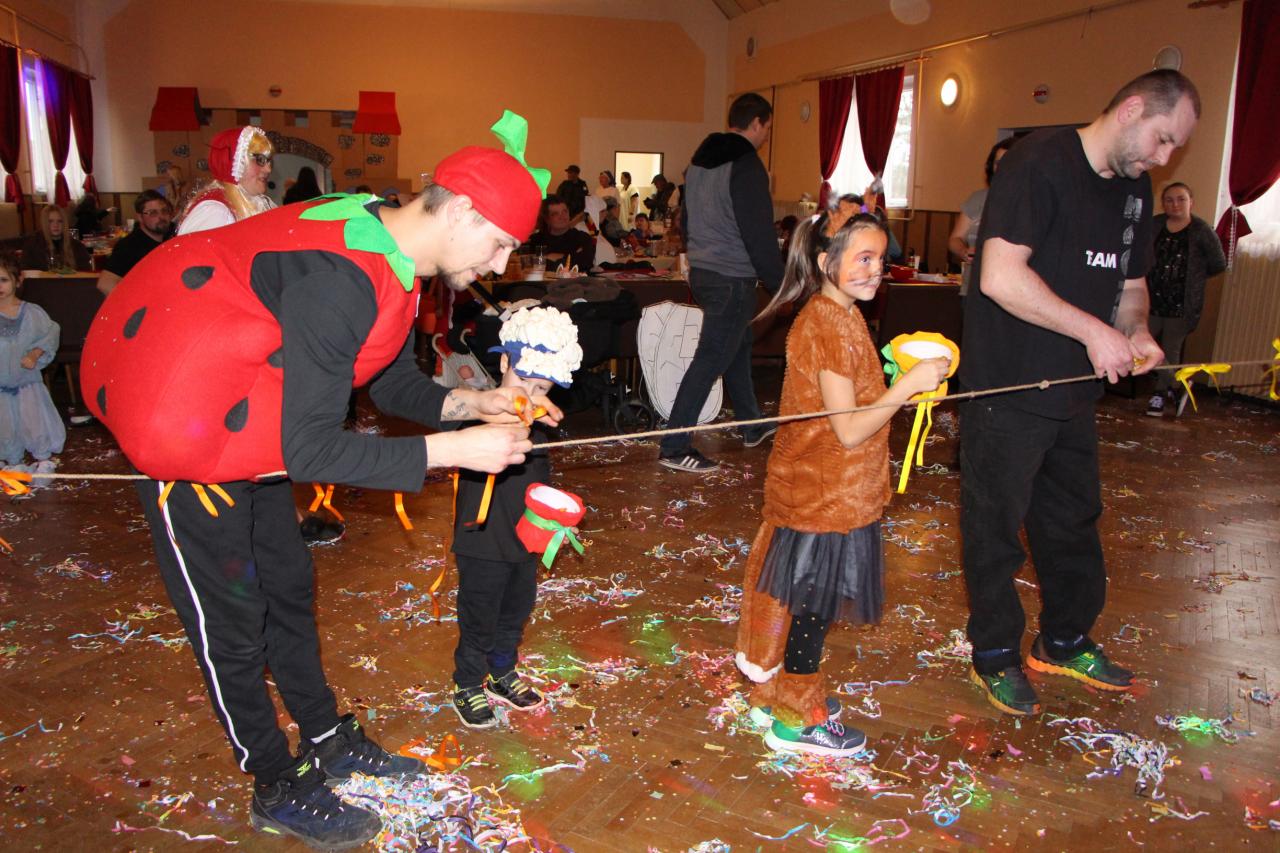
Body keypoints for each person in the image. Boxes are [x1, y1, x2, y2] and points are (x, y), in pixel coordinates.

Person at [80, 116, 561, 849]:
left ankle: (328, 736)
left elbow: (386, 378)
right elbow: (311, 451)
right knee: (233, 624)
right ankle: (274, 780)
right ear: (461, 210)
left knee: (288, 592)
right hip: (189, 431)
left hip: (254, 429)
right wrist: (454, 450)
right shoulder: (343, 278)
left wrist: (475, 403)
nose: (499, 262)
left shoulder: (390, 248)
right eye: (498, 243)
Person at [960, 70, 1199, 716]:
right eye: (1162, 138)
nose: (1164, 157)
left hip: (1073, 391)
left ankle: (1063, 640)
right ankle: (995, 654)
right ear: (1131, 109)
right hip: (1009, 384)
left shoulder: (1135, 188)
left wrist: (1137, 330)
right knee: (994, 531)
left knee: (1071, 521)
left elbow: (1130, 288)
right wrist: (1094, 332)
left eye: (1174, 147)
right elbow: (1000, 277)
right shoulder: (1037, 163)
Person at [735, 214, 949, 756]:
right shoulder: (827, 324)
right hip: (823, 493)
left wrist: (899, 378)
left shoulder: (842, 314)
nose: (876, 270)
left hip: (835, 489)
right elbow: (849, 429)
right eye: (863, 258)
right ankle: (795, 721)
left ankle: (779, 697)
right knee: (813, 609)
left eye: (880, 259)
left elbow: (852, 402)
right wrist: (909, 386)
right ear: (825, 261)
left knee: (807, 605)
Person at [451, 305, 582, 728]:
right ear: (505, 363)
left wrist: (553, 514)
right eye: (524, 380)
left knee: (515, 611)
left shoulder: (539, 430)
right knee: (479, 615)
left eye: (542, 387)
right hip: (483, 543)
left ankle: (501, 672)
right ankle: (467, 683)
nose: (530, 393)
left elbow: (535, 486)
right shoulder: (476, 420)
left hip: (525, 540)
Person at [659, 93, 784, 472]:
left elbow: (687, 218)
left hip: (704, 271)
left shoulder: (699, 161)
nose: (766, 136)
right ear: (757, 123)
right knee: (711, 357)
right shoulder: (747, 164)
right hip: (732, 276)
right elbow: (758, 232)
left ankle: (750, 424)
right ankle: (674, 445)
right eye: (767, 128)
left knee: (737, 345)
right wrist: (781, 283)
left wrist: (695, 257)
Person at [1145, 181, 1226, 417]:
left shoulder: (1201, 230)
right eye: (1169, 200)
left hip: (1181, 305)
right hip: (1150, 301)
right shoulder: (1154, 225)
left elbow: (1218, 263)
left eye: (1181, 199)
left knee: (1170, 351)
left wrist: (1193, 279)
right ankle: (1178, 385)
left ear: (1191, 202)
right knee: (1140, 346)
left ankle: (1160, 394)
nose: (1175, 204)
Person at [0, 254, 65, 480]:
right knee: (6, 425)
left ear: (18, 280)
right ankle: (13, 462)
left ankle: (43, 459)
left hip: (27, 382)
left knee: (34, 421)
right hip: (1, 386)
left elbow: (50, 333)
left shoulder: (31, 313)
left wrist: (35, 353)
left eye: (3, 280)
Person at [949, 137, 1018, 294]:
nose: (1002, 167)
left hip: (1009, 288)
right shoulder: (977, 199)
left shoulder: (1028, 200)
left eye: (1008, 161)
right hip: (973, 287)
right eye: (998, 163)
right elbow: (955, 239)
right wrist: (963, 251)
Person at [178, 126, 275, 235]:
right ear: (236, 161)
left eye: (269, 161)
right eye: (260, 160)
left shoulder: (257, 203)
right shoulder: (215, 212)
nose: (268, 169)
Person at [97, 191, 175, 296]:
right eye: (153, 213)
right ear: (140, 217)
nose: (161, 216)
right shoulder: (130, 246)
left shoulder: (173, 236)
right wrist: (138, 303)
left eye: (164, 211)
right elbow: (105, 284)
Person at [527, 195, 595, 271]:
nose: (562, 217)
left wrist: (548, 258)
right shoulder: (536, 240)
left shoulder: (582, 238)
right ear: (547, 219)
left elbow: (585, 263)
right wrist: (570, 257)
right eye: (555, 214)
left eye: (565, 211)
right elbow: (526, 264)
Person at [21, 205, 93, 272]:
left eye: (60, 221)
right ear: (44, 223)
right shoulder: (32, 246)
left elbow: (86, 272)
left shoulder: (76, 246)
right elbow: (27, 272)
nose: (56, 225)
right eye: (50, 221)